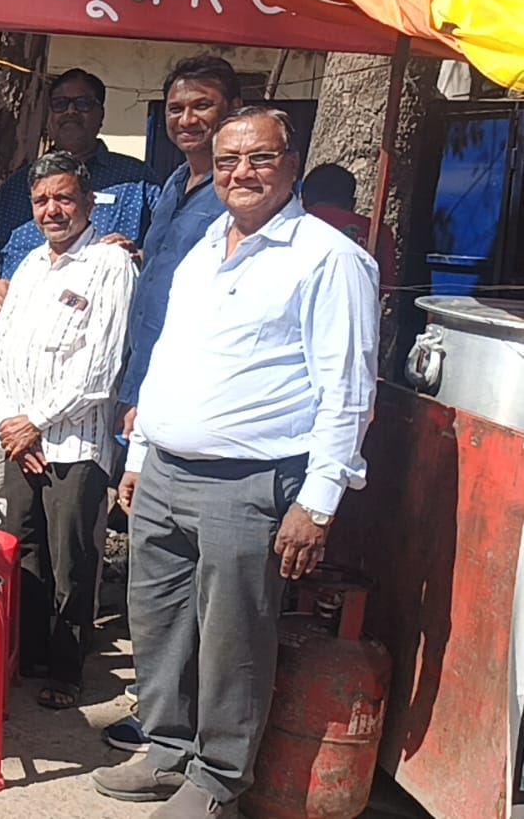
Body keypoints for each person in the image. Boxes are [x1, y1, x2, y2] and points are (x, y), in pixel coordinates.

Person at [93, 107, 378, 818]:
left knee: (232, 640)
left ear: (292, 164)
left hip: (248, 482)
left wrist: (318, 502)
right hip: (165, 471)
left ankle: (218, 780)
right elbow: (170, 357)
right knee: (157, 622)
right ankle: (166, 750)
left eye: (258, 158)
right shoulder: (204, 246)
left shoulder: (328, 257)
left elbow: (348, 390)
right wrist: (141, 453)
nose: (240, 173)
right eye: (226, 161)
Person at [107, 54, 242, 754]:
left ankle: (177, 723)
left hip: (183, 399)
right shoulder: (173, 183)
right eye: (178, 107)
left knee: (184, 574)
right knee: (151, 565)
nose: (187, 119)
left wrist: (149, 404)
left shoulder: (234, 196)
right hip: (145, 384)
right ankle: (160, 707)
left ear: (232, 113)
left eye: (203, 106)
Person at [0, 151, 136, 712]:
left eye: (64, 198)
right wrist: (11, 425)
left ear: (88, 203)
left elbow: (100, 366)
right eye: (42, 200)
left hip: (73, 442)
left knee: (71, 558)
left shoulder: (110, 265)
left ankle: (67, 670)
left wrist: (36, 423)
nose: (53, 210)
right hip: (18, 440)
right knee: (21, 551)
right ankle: (27, 656)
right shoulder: (28, 266)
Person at [0, 68, 160, 325]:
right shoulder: (17, 185)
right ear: (49, 116)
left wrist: (137, 256)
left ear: (101, 115)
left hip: (94, 333)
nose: (70, 111)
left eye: (83, 103)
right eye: (60, 104)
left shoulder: (137, 180)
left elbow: (168, 252)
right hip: (16, 332)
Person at [302, 162, 396, 289]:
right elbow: (386, 284)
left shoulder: (290, 225)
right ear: (352, 202)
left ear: (304, 198)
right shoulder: (378, 232)